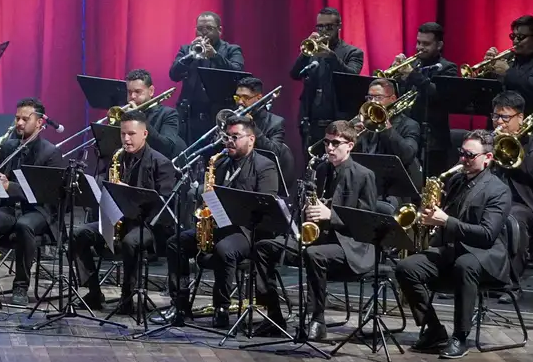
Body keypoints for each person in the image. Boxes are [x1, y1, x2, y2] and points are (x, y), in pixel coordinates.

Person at [251, 120, 377, 340]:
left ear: (350, 145)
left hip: (349, 246)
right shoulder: (320, 170)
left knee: (313, 254)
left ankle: (317, 319)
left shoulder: (364, 175)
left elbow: (366, 223)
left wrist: (331, 215)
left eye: (335, 143)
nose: (329, 148)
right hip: (318, 239)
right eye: (327, 143)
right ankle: (273, 315)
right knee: (263, 248)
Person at [394, 130, 511, 359]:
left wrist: (446, 221)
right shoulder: (457, 181)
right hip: (453, 250)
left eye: (470, 155)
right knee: (406, 268)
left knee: (465, 265)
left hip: (485, 255)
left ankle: (460, 337)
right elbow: (444, 217)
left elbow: (487, 235)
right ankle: (434, 330)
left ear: (488, 158)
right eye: (462, 153)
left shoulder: (498, 190)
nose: (463, 159)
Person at [158, 114, 280, 328]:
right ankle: (180, 304)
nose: (229, 142)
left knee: (224, 250)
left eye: (235, 137)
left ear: (251, 139)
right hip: (219, 225)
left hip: (247, 230)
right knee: (175, 243)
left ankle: (221, 308)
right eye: (226, 137)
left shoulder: (265, 166)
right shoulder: (220, 162)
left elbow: (266, 205)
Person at [0, 98, 66, 306]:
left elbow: (47, 194)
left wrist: (11, 186)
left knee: (24, 226)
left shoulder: (50, 153)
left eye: (25, 119)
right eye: (17, 118)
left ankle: (20, 286)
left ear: (39, 122)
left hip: (39, 211)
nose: (19, 123)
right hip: (11, 208)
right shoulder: (9, 146)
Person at [68, 112, 174, 315]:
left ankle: (127, 297)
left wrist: (129, 193)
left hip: (148, 225)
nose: (126, 139)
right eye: (123, 134)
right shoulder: (118, 158)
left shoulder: (161, 163)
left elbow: (163, 204)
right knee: (77, 234)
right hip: (120, 220)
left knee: (129, 242)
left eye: (131, 134)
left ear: (144, 134)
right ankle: (93, 292)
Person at [290, 6, 365, 160]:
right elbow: (294, 74)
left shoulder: (353, 53)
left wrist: (331, 57)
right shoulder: (312, 51)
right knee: (311, 165)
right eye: (320, 27)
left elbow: (351, 78)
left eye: (329, 27)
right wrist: (304, 54)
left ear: (339, 26)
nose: (324, 31)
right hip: (311, 121)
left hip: (338, 121)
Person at [388, 22, 459, 174]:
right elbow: (396, 95)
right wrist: (394, 75)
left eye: (426, 44)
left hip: (433, 141)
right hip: (408, 135)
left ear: (439, 45)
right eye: (418, 42)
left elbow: (439, 96)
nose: (420, 47)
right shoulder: (413, 64)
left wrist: (412, 75)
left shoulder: (448, 68)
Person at [168, 11, 245, 140]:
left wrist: (215, 56)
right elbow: (174, 75)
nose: (204, 33)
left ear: (219, 30)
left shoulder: (232, 50)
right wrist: (190, 56)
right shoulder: (186, 50)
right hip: (189, 116)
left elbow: (238, 74)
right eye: (200, 29)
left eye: (209, 28)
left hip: (217, 115)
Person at [488, 92, 533, 264]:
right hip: (488, 197)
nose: (499, 122)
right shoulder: (487, 139)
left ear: (520, 118)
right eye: (495, 116)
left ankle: (510, 277)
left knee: (511, 220)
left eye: (505, 117)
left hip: (521, 204)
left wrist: (513, 150)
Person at [353, 78, 422, 215]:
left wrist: (387, 129)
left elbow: (407, 155)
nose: (372, 102)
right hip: (367, 183)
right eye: (369, 97)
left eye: (378, 97)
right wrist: (354, 137)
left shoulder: (409, 125)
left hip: (394, 189)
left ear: (393, 99)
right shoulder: (364, 122)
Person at [484, 15, 533, 115]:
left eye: (520, 37)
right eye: (513, 36)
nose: (515, 41)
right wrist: (488, 70)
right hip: (498, 118)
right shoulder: (507, 58)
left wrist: (508, 72)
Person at [122, 70, 184, 158]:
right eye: (129, 92)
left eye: (137, 91)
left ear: (151, 91)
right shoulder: (124, 113)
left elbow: (166, 147)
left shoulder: (168, 114)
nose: (132, 96)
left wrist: (139, 118)